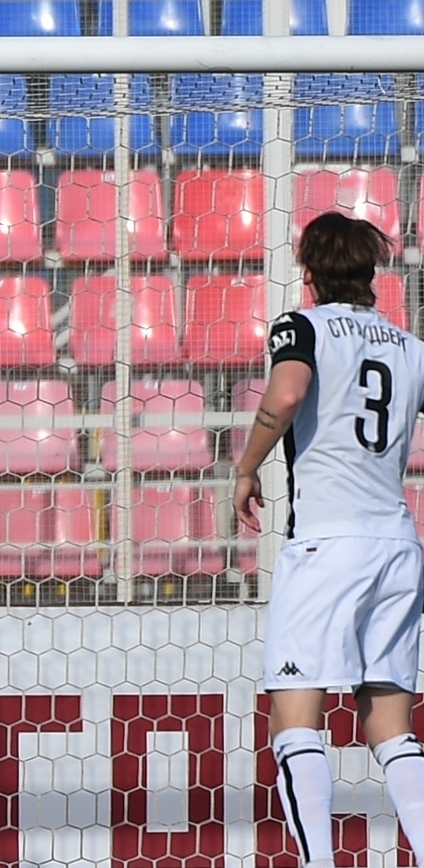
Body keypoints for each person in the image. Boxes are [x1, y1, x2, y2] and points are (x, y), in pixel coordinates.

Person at [236, 212, 424, 868]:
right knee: (391, 728)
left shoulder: (302, 327)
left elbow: (288, 393)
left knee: (295, 721)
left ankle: (318, 862)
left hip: (326, 545)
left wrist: (246, 466)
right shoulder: (410, 347)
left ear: (309, 271)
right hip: (396, 544)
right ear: (371, 273)